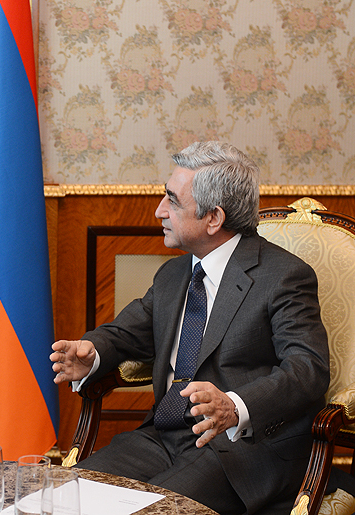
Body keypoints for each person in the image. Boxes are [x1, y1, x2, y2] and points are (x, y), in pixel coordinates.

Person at [51, 141, 331, 514]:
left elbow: (308, 369)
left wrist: (234, 406)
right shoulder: (174, 273)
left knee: (150, 511)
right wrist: (92, 352)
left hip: (239, 450)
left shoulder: (283, 276)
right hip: (162, 437)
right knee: (65, 498)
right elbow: (129, 331)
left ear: (213, 218)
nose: (159, 210)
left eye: (172, 200)